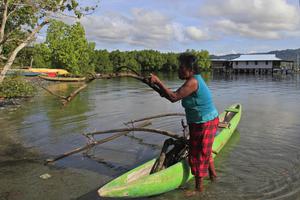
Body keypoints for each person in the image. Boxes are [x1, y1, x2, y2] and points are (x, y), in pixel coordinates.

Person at [149, 53, 219, 194]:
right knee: (202, 151)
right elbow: (171, 95)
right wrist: (156, 86)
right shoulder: (190, 80)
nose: (178, 70)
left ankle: (199, 190)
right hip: (197, 123)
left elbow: (173, 97)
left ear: (190, 69)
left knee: (199, 154)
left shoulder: (193, 82)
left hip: (205, 122)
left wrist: (158, 81)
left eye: (181, 67)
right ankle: (213, 176)